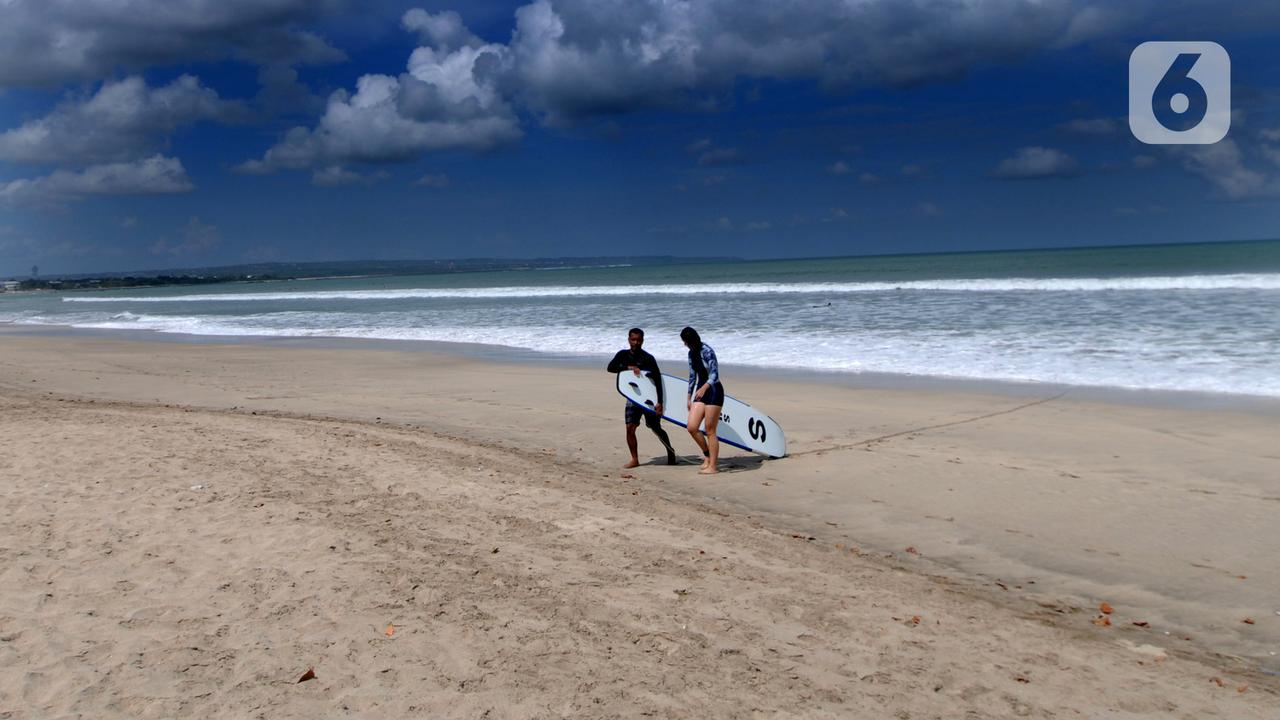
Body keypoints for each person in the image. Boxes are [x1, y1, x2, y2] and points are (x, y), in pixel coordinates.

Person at [606, 328, 678, 467]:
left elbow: (658, 381)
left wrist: (660, 402)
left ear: (643, 340)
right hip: (633, 397)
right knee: (630, 428)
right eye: (633, 339)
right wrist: (628, 367)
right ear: (629, 340)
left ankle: (670, 452)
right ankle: (635, 459)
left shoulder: (648, 358)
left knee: (655, 427)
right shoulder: (622, 355)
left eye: (639, 340)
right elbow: (611, 368)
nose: (636, 342)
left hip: (648, 400)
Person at [680, 326, 724, 475]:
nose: (684, 344)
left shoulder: (707, 351)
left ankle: (713, 466)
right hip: (701, 391)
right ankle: (707, 455)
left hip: (713, 390)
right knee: (692, 427)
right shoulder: (691, 353)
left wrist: (705, 387)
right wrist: (688, 397)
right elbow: (692, 376)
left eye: (685, 341)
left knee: (710, 430)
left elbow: (714, 374)